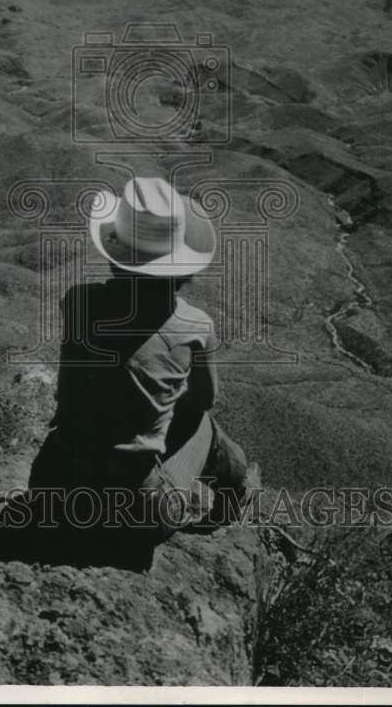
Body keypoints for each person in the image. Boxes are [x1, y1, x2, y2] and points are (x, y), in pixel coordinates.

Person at [29, 176, 254, 568]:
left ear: (116, 252)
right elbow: (204, 400)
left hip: (53, 489)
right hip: (134, 516)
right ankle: (233, 499)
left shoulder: (78, 301)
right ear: (182, 266)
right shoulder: (195, 326)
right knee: (205, 423)